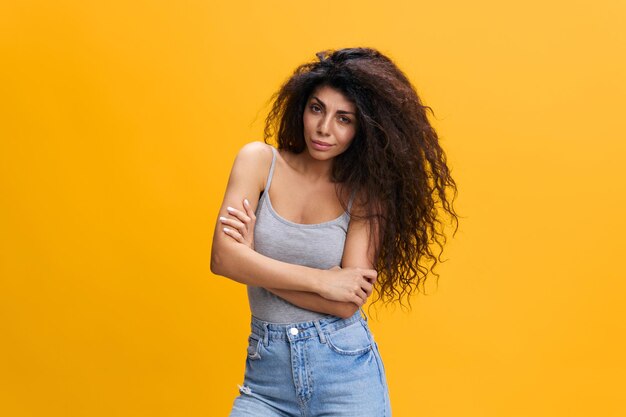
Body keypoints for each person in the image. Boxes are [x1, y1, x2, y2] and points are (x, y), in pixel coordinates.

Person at [210, 47, 459, 417]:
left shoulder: (365, 195)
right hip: (266, 381)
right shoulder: (259, 162)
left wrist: (252, 262)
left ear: (364, 130)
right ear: (301, 108)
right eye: (316, 109)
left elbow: (345, 302)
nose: (324, 128)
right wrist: (321, 281)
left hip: (345, 373)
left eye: (344, 118)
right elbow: (222, 259)